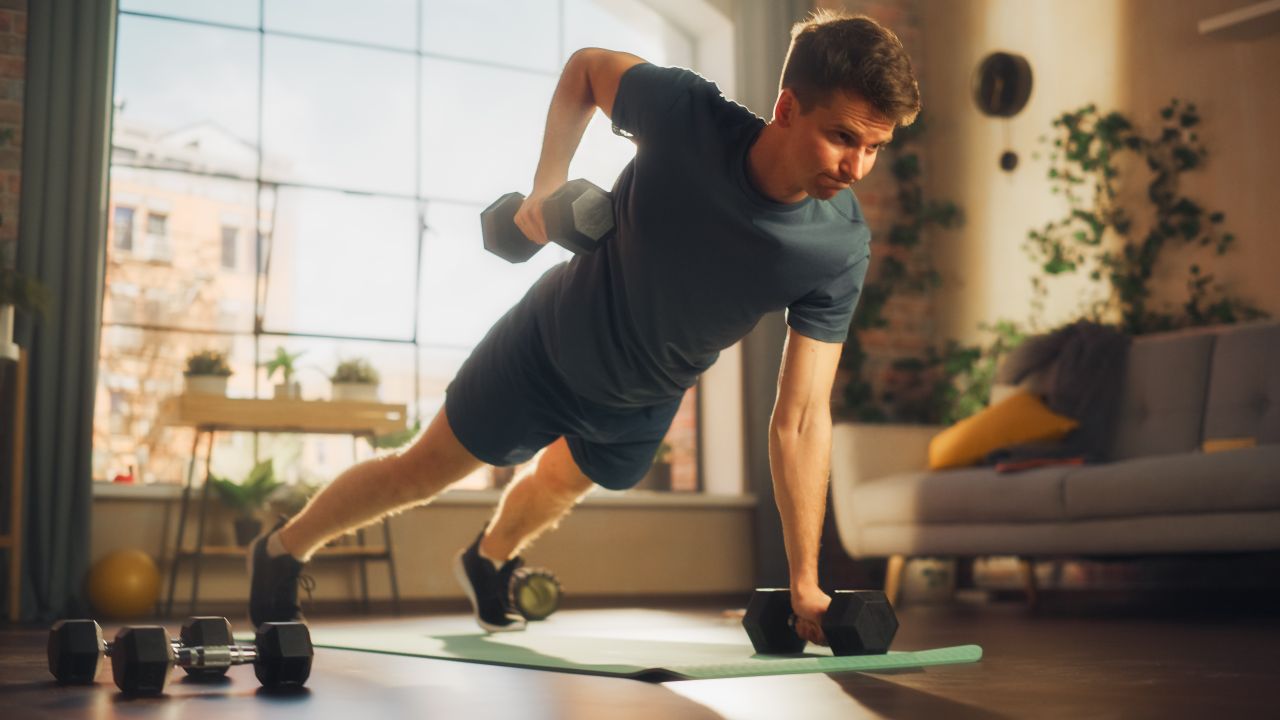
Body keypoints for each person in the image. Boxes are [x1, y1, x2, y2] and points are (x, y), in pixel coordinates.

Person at [248, 10, 919, 647]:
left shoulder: (838, 247)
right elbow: (587, 69)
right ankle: (283, 548)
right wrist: (547, 187)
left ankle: (488, 559)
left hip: (646, 394)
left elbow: (801, 417)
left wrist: (806, 577)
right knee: (420, 473)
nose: (856, 167)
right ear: (787, 107)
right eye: (843, 138)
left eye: (874, 149)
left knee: (560, 482)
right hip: (547, 345)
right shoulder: (687, 114)